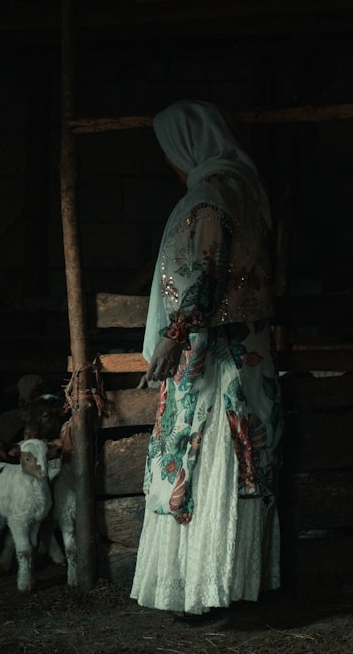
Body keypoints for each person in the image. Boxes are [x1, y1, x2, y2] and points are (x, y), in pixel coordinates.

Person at [130, 99, 283, 620]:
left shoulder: (211, 195)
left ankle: (198, 591)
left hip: (213, 357)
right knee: (234, 457)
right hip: (246, 356)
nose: (171, 164)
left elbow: (206, 270)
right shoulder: (247, 191)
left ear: (187, 147)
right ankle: (228, 583)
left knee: (202, 455)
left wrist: (175, 334)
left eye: (170, 152)